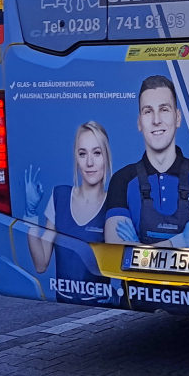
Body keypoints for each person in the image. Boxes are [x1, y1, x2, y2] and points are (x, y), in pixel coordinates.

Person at [105, 75, 189, 250]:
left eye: (164, 109)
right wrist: (180, 243)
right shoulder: (122, 180)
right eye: (148, 111)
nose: (156, 120)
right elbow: (115, 255)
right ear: (139, 122)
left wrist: (136, 249)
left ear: (177, 117)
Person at [20, 122, 120, 305]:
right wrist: (30, 213)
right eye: (83, 154)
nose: (90, 162)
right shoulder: (60, 196)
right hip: (64, 305)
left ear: (106, 157)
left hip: (100, 311)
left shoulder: (115, 205)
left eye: (97, 153)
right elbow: (41, 264)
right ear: (77, 158)